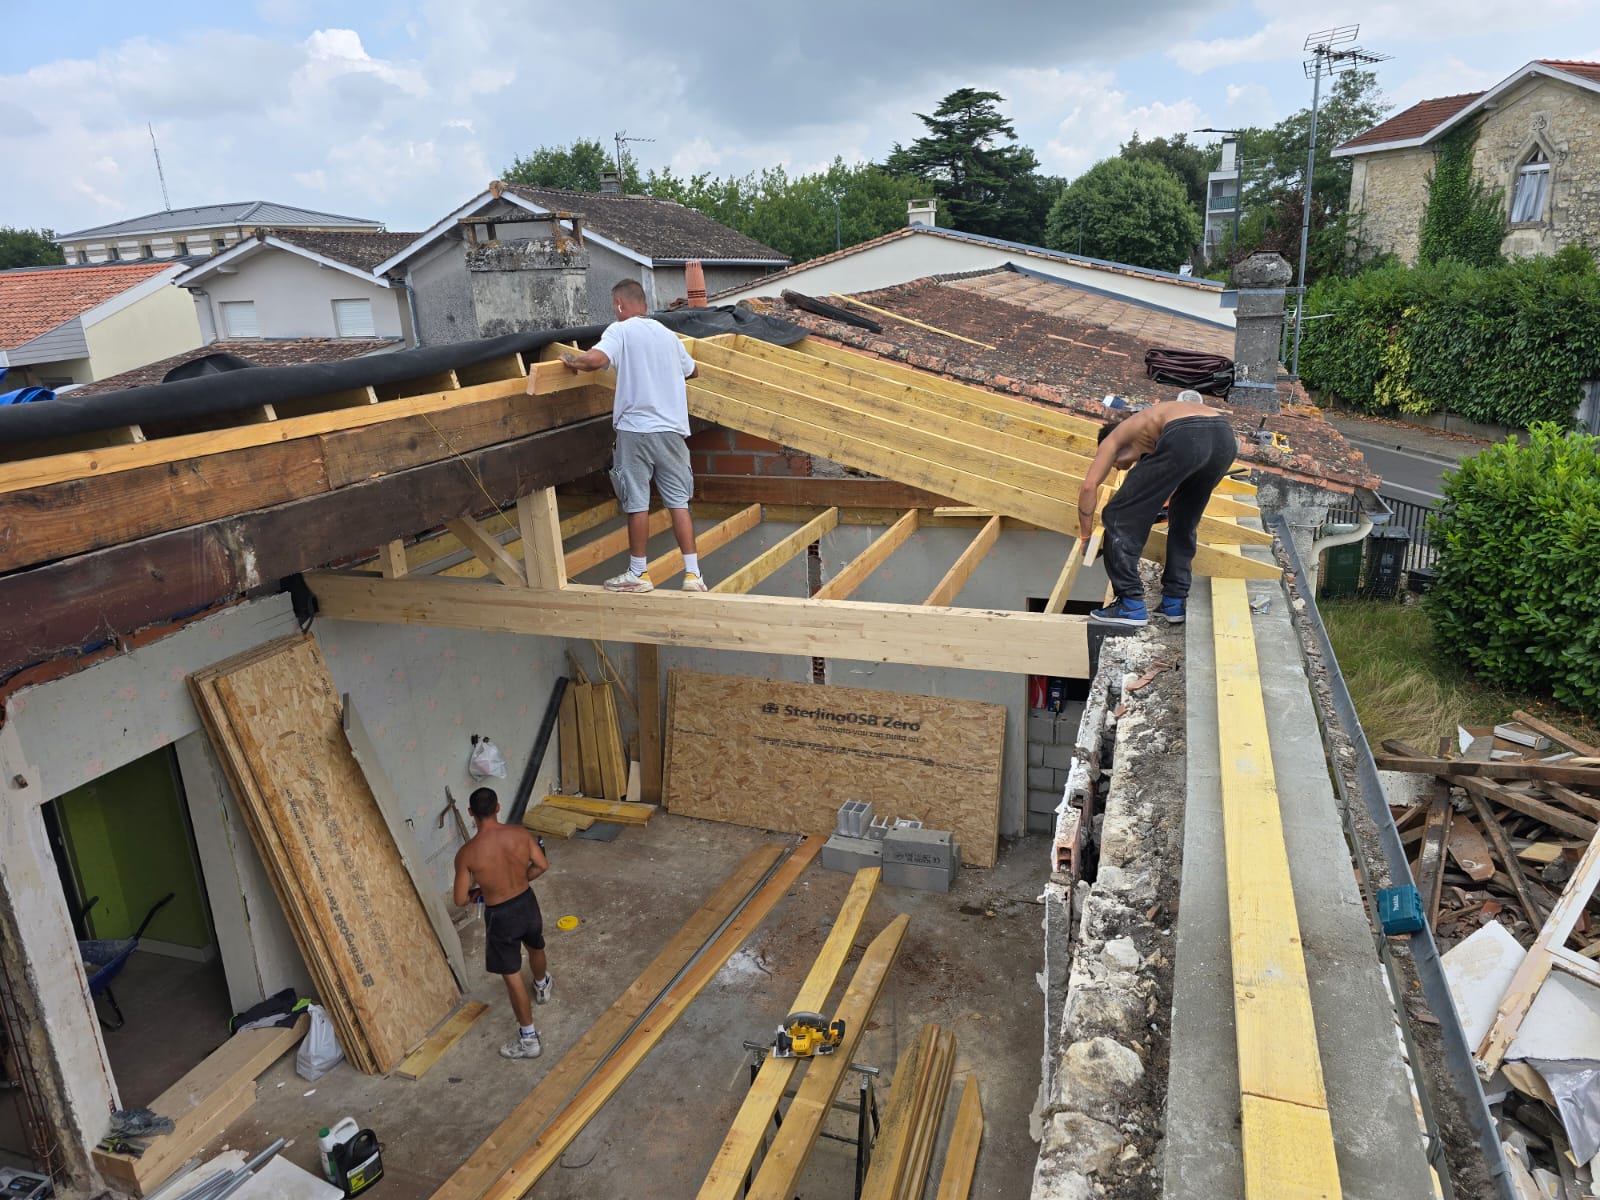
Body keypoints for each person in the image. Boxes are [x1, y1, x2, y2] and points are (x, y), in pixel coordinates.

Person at [561, 279, 705, 593]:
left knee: (637, 502)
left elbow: (597, 360)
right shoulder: (668, 335)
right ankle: (693, 574)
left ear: (620, 306)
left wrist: (573, 363)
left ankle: (639, 574)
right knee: (679, 502)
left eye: (615, 307)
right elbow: (692, 370)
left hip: (635, 431)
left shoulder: (620, 330)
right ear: (644, 304)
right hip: (671, 431)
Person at [1078, 397, 1240, 628]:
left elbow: (1088, 487)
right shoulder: (1149, 430)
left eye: (1115, 464)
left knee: (1117, 515)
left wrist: (1085, 538)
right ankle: (1174, 602)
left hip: (1186, 434)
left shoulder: (1112, 440)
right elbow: (1169, 471)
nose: (1117, 467)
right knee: (1184, 520)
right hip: (1224, 437)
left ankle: (1129, 604)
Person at [452, 786, 553, 1060]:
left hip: (501, 915)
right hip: (527, 902)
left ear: (471, 813)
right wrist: (520, 881)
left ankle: (529, 1039)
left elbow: (460, 899)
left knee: (512, 977)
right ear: (498, 807)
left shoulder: (467, 853)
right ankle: (543, 985)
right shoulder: (519, 834)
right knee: (535, 945)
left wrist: (481, 893)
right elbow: (541, 865)